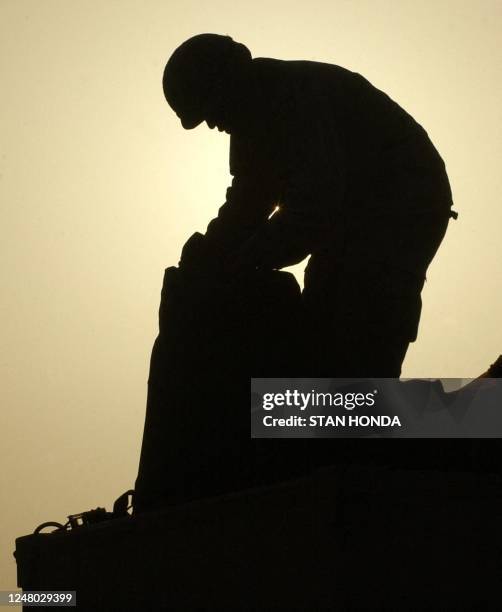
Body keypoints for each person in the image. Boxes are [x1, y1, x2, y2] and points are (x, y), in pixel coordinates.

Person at [162, 33, 457, 377]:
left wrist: (244, 261)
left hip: (402, 204)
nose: (213, 124)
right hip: (352, 218)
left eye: (211, 109)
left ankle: (442, 420)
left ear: (231, 81)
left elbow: (314, 206)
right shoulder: (250, 118)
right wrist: (213, 248)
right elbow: (249, 200)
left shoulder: (296, 98)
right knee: (320, 318)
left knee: (363, 318)